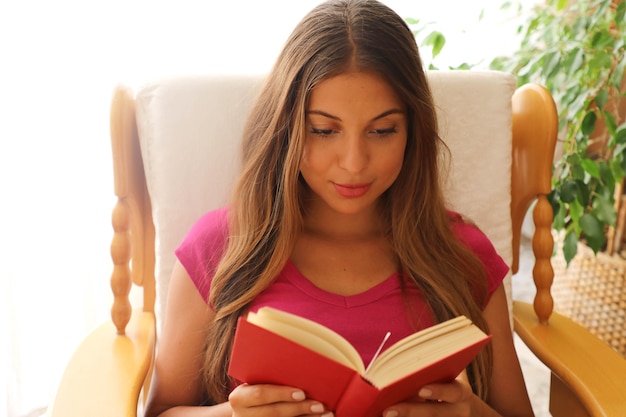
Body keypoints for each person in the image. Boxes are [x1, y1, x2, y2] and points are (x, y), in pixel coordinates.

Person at [143, 1, 535, 416]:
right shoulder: (222, 245)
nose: (353, 162)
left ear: (412, 131)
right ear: (287, 126)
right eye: (323, 130)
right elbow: (161, 411)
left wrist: (470, 413)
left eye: (382, 130)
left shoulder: (462, 255)